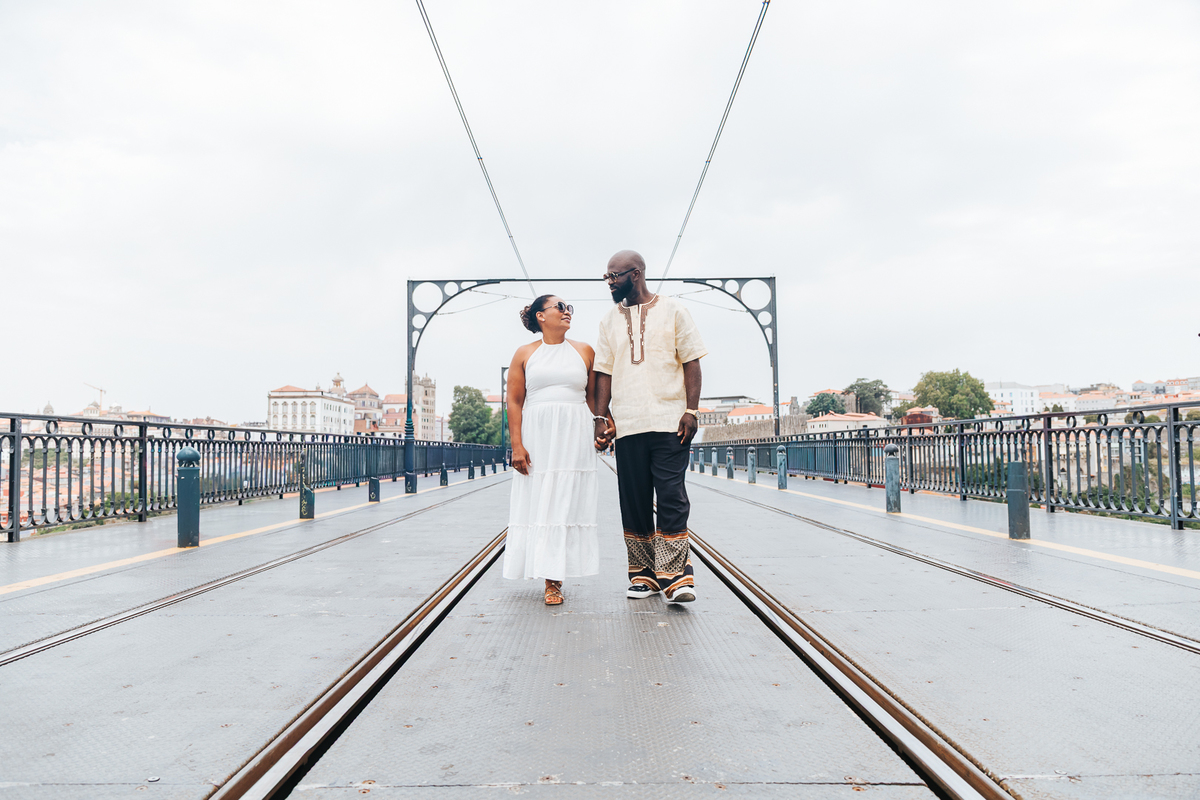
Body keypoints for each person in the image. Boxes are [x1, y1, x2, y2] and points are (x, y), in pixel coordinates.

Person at [592, 250, 706, 604]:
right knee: (635, 500)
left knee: (671, 496)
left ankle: (675, 577)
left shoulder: (674, 310)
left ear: (636, 274)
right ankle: (643, 576)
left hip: (670, 423)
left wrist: (691, 409)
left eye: (615, 276)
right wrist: (601, 417)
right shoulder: (609, 321)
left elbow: (691, 360)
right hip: (628, 425)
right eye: (607, 277)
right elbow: (603, 373)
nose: (610, 283)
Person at [503, 294, 600, 605]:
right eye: (559, 307)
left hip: (574, 433)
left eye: (569, 308)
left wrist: (604, 423)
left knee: (565, 500)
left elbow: (594, 399)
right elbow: (514, 402)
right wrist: (516, 445)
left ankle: (555, 577)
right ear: (540, 316)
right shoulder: (524, 354)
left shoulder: (585, 351)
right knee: (541, 501)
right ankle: (549, 577)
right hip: (538, 434)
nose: (566, 312)